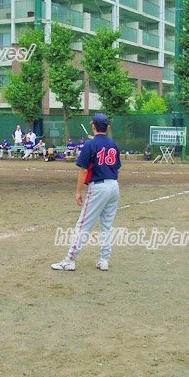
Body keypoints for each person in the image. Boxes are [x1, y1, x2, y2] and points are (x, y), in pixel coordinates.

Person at [52, 113, 121, 272]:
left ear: (93, 126)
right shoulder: (113, 144)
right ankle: (104, 260)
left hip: (98, 187)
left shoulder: (90, 145)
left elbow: (83, 171)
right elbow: (116, 168)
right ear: (108, 127)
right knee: (107, 226)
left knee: (83, 225)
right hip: (114, 185)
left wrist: (78, 192)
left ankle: (69, 260)